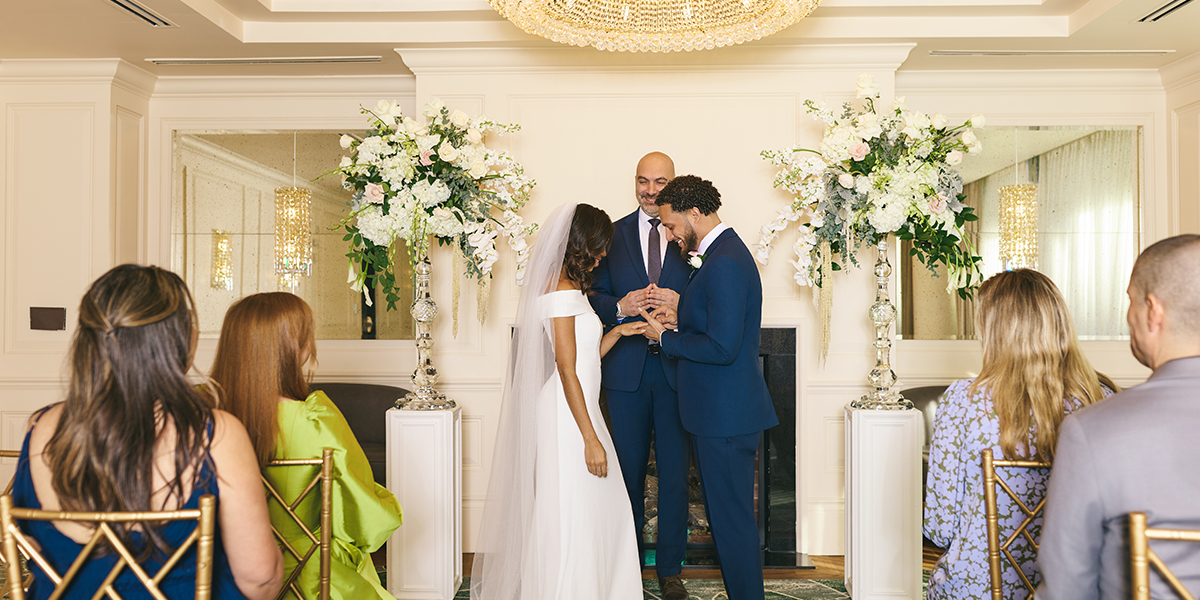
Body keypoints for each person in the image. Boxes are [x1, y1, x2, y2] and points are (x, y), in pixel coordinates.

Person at [10, 264, 283, 600]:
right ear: (182, 341)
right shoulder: (217, 434)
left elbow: (31, 546)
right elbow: (260, 578)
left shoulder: (41, 428)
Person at [471, 203, 646, 600]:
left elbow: (582, 359)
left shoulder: (567, 286)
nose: (603, 256)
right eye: (599, 247)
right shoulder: (561, 291)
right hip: (570, 413)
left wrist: (619, 334)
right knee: (575, 509)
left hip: (577, 404)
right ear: (581, 244)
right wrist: (590, 438)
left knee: (593, 506)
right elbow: (566, 368)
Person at [923, 269, 1116, 599]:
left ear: (994, 331)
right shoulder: (1101, 399)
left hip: (977, 589)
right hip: (1072, 588)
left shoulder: (961, 400)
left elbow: (939, 528)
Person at [207, 292, 403, 600]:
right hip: (311, 576)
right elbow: (366, 517)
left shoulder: (201, 419)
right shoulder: (316, 420)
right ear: (293, 350)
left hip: (220, 573)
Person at [1038, 235, 1200, 599]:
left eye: (1130, 301)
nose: (1128, 316)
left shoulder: (1092, 429)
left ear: (1153, 312)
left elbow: (1067, 588)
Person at [641, 176, 779, 600]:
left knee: (731, 522)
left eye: (670, 224)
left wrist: (664, 338)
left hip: (725, 415)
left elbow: (721, 348)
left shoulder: (724, 263)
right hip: (722, 412)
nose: (669, 233)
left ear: (694, 214)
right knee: (728, 520)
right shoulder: (722, 254)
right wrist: (681, 318)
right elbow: (721, 328)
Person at [588, 151, 692, 599]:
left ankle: (670, 571)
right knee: (626, 475)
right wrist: (618, 307)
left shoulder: (689, 231)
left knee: (673, 475)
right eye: (643, 181)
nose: (650, 191)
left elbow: (709, 296)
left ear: (673, 185)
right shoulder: (610, 233)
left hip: (676, 370)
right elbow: (588, 292)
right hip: (625, 371)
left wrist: (679, 305)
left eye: (660, 182)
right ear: (634, 182)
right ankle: (625, 567)